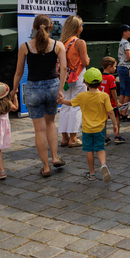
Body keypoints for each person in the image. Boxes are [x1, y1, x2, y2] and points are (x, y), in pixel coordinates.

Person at [11, 14, 67, 177]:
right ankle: (55, 157)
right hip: (52, 87)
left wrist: (14, 89)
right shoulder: (58, 45)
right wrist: (61, 89)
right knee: (50, 124)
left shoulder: (25, 47)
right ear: (50, 28)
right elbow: (63, 69)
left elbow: (19, 72)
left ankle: (46, 167)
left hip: (33, 88)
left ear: (34, 28)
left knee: (39, 130)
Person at [60, 68, 116, 183]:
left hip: (87, 129)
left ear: (86, 82)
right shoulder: (104, 96)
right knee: (100, 148)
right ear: (100, 82)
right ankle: (103, 164)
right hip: (100, 128)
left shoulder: (82, 96)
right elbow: (110, 111)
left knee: (89, 150)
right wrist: (115, 124)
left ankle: (92, 173)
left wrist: (62, 101)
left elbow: (71, 103)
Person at [58, 15, 89, 148]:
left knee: (65, 106)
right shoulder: (79, 42)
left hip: (65, 77)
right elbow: (85, 61)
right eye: (81, 25)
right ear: (77, 28)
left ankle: (64, 137)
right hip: (77, 76)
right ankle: (73, 138)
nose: (82, 27)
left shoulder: (61, 42)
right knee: (77, 106)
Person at [99, 57, 125, 144]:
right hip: (111, 102)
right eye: (114, 66)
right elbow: (113, 91)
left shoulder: (99, 76)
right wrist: (116, 102)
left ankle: (105, 138)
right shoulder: (111, 78)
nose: (115, 68)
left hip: (102, 102)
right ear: (109, 67)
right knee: (116, 119)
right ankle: (117, 136)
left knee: (104, 120)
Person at [117, 24, 130, 123]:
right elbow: (129, 57)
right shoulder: (126, 43)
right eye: (129, 30)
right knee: (129, 92)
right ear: (124, 32)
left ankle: (120, 113)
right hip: (126, 68)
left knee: (123, 92)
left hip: (121, 67)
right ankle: (124, 114)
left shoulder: (121, 42)